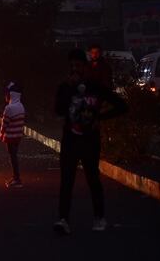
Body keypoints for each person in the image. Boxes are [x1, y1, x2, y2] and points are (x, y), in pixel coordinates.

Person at [54, 49, 128, 235]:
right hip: (70, 140)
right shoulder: (65, 87)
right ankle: (63, 219)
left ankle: (99, 217)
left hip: (89, 141)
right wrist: (68, 89)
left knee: (93, 179)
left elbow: (121, 106)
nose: (75, 69)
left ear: (85, 67)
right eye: (72, 66)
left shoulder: (96, 87)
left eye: (78, 65)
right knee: (66, 181)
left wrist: (100, 117)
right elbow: (58, 110)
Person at [0, 82, 25, 189]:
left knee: (12, 157)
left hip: (10, 136)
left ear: (11, 95)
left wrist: (1, 133)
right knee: (14, 156)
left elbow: (4, 124)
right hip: (18, 136)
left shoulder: (9, 108)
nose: (6, 96)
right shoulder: (21, 106)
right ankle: (15, 177)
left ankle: (17, 178)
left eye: (7, 94)